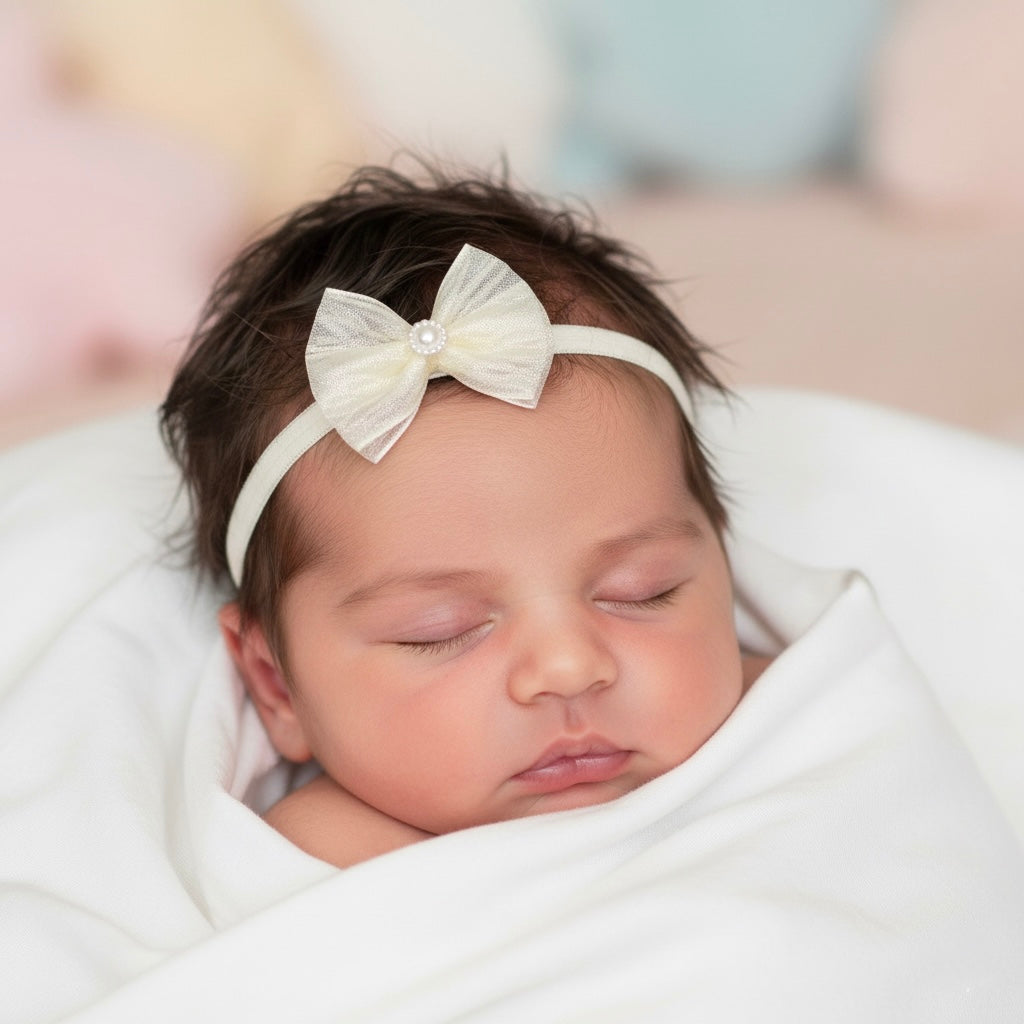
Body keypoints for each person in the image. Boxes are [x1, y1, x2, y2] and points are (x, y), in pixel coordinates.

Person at [161, 165, 771, 869]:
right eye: (438, 632)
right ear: (276, 684)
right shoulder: (331, 874)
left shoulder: (806, 716)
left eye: (643, 589)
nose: (568, 666)